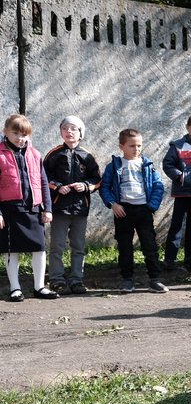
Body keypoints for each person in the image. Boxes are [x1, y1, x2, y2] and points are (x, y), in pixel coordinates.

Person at [100, 128, 168, 294]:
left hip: (144, 210)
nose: (136, 149)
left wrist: (152, 205)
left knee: (149, 245)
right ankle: (127, 280)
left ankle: (154, 279)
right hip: (123, 211)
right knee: (125, 247)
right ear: (121, 146)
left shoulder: (147, 165)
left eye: (139, 145)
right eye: (132, 146)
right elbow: (104, 187)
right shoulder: (114, 166)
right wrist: (113, 204)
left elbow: (159, 186)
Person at [0, 115, 58, 301]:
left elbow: (43, 182)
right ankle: (15, 288)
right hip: (10, 209)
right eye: (15, 133)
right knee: (12, 250)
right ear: (5, 132)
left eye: (24, 134)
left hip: (33, 208)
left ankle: (39, 286)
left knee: (39, 248)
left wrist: (47, 208)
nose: (20, 138)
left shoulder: (35, 154)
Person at [43, 116, 102, 295]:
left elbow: (97, 180)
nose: (69, 131)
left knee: (78, 246)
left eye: (73, 129)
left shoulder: (87, 156)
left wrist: (85, 186)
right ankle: (56, 279)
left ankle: (76, 279)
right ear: (61, 132)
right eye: (65, 128)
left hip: (80, 209)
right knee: (57, 246)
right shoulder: (54, 154)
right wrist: (58, 187)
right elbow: (43, 178)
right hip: (59, 208)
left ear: (80, 134)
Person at [161, 112, 191, 272]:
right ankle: (170, 258)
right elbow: (168, 164)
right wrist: (179, 176)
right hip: (182, 193)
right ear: (188, 127)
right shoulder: (178, 145)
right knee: (176, 226)